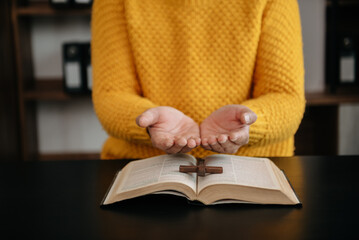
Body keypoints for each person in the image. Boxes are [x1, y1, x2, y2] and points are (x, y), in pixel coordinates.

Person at [91, 0, 305, 160]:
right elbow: (111, 94)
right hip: (143, 167)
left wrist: (249, 124)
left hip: (254, 168)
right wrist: (148, 123)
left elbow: (285, 96)